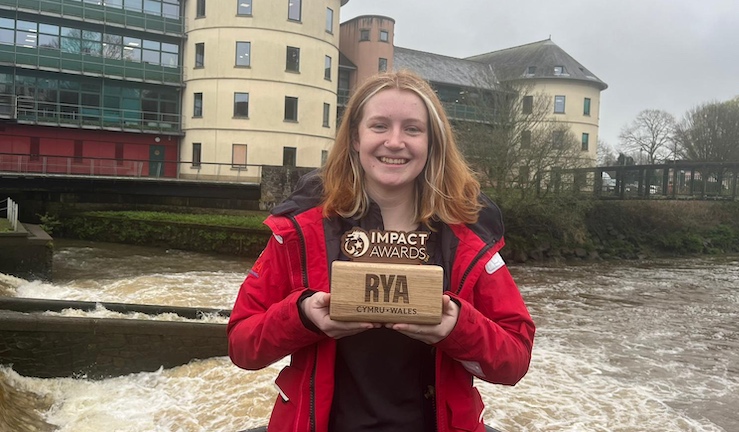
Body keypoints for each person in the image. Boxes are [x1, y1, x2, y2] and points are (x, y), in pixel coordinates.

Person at [227, 70, 535, 432]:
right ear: (355, 138)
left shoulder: (468, 237)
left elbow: (514, 359)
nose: (395, 141)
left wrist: (459, 327)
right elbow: (242, 345)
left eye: (412, 129)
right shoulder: (300, 231)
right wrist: (303, 315)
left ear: (432, 142)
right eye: (379, 126)